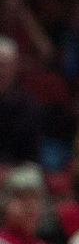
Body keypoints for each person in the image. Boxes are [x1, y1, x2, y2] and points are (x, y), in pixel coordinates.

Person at [0, 35, 44, 165]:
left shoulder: (28, 106)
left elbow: (29, 151)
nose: (1, 71)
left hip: (16, 167)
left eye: (4, 65)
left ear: (14, 67)